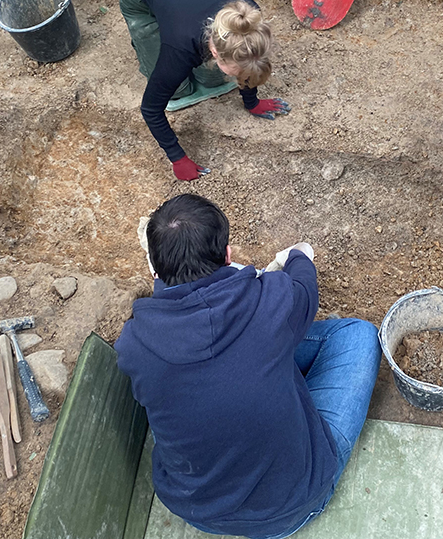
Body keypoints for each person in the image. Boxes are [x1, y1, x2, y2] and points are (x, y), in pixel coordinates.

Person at [115, 194, 381, 539]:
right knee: (357, 336)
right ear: (227, 255)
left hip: (195, 509)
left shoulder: (134, 344)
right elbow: (304, 284)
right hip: (289, 510)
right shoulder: (271, 299)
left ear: (153, 269)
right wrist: (297, 256)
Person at [119, 0, 291, 181]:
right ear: (214, 51)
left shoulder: (249, 21)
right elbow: (151, 109)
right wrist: (177, 158)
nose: (239, 78)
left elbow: (247, 64)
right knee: (177, 91)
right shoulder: (180, 46)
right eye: (238, 73)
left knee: (210, 80)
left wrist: (253, 102)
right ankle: (149, 32)